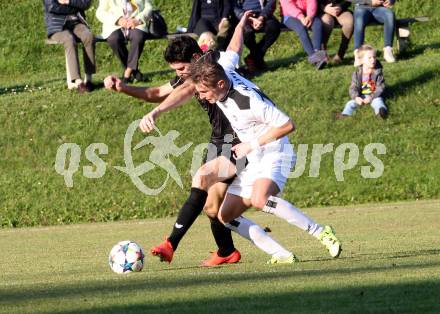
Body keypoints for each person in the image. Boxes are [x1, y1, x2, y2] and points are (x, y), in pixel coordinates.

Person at [107, 12, 294, 266]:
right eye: (176, 70)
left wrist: (157, 112)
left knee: (203, 177)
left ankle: (171, 243)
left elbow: (185, 89)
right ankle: (227, 251)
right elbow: (159, 91)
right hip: (219, 140)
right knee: (212, 208)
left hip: (239, 141)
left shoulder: (211, 63)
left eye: (182, 68)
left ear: (195, 59)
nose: (180, 74)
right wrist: (124, 88)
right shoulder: (190, 73)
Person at [186, 40, 343, 263]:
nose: (201, 97)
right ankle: (281, 254)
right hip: (253, 156)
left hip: (274, 151)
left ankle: (321, 232)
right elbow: (233, 51)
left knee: (260, 199)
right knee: (225, 215)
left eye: (203, 92)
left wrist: (251, 144)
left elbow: (287, 124)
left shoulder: (248, 101)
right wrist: (241, 24)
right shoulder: (225, 72)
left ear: (220, 84)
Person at [43, 0, 96, 93]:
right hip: (57, 27)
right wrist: (75, 7)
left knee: (88, 36)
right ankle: (78, 81)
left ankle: (89, 79)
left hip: (77, 23)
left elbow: (86, 3)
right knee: (69, 39)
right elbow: (52, 6)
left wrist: (68, 1)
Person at [96, 0, 153, 83]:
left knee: (138, 37)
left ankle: (127, 73)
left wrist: (138, 19)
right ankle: (135, 72)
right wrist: (117, 20)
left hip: (136, 23)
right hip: (114, 25)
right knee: (114, 39)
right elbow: (100, 12)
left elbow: (149, 7)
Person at [336, 44, 388, 119]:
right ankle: (345, 114)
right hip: (361, 95)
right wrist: (356, 97)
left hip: (374, 95)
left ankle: (381, 112)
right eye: (369, 58)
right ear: (362, 60)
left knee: (378, 102)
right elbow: (353, 88)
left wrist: (371, 97)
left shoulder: (377, 72)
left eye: (374, 57)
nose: (373, 60)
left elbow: (380, 87)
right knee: (350, 103)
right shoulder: (357, 74)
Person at [233, 0, 282, 75]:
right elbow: (234, 7)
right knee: (247, 33)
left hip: (262, 14)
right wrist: (248, 18)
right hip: (244, 16)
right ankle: (258, 59)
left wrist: (261, 17)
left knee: (274, 28)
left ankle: (253, 58)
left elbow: (271, 2)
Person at [280, 0, 327, 70]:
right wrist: (301, 17)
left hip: (308, 14)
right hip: (289, 16)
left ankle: (317, 54)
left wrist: (310, 16)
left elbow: (312, 1)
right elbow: (288, 5)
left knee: (318, 24)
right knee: (302, 29)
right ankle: (314, 58)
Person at [353, 0, 396, 65]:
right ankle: (358, 54)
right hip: (362, 8)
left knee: (389, 14)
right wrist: (370, 2)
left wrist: (390, 1)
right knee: (359, 20)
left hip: (380, 9)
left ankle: (388, 50)